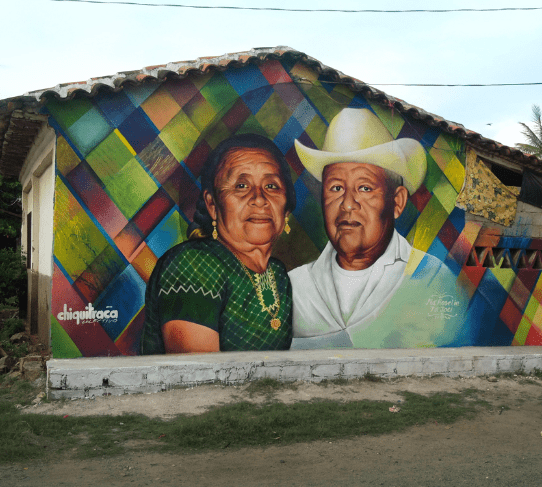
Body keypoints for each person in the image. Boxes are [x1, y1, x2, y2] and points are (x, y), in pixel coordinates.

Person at [141, 134, 296, 354]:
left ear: (286, 209)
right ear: (212, 205)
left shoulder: (278, 275)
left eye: (272, 186)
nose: (260, 199)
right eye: (241, 185)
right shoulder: (193, 265)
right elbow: (199, 377)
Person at [289, 108, 430, 349]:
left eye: (364, 188)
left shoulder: (429, 278)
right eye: (335, 188)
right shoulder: (294, 286)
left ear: (397, 202)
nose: (347, 204)